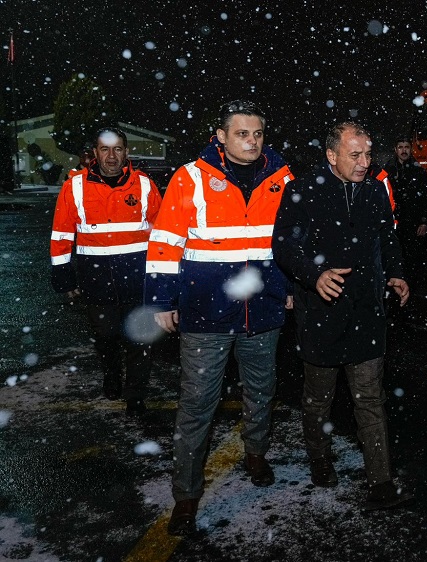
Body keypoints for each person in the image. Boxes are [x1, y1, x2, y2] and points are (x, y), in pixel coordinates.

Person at [144, 100, 295, 536]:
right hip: (205, 314)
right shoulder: (190, 177)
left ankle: (256, 454)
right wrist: (160, 301)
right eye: (242, 134)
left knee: (262, 391)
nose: (251, 142)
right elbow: (165, 243)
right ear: (221, 136)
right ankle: (186, 497)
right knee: (196, 407)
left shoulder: (281, 177)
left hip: (263, 309)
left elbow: (291, 239)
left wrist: (289, 290)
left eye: (258, 134)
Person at [272, 122, 414, 511]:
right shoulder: (302, 190)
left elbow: (387, 237)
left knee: (370, 398)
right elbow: (282, 245)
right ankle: (320, 460)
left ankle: (381, 481)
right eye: (355, 155)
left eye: (368, 154)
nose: (365, 163)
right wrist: (314, 275)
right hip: (322, 313)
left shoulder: (373, 190)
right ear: (331, 155)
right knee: (319, 399)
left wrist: (397, 273)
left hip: (367, 312)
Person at [50, 127, 162, 415]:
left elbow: (163, 234)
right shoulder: (74, 187)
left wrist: (164, 275)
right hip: (96, 279)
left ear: (126, 152)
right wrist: (64, 277)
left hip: (138, 279)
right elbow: (62, 234)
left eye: (117, 149)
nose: (111, 156)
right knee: (107, 336)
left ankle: (136, 395)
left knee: (140, 339)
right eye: (104, 149)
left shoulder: (145, 186)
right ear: (95, 153)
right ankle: (112, 371)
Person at [384, 137, 427, 285]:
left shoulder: (419, 171)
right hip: (396, 223)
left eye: (407, 147)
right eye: (401, 147)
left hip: (414, 223)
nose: (404, 150)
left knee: (418, 262)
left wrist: (425, 222)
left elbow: (425, 199)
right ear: (395, 149)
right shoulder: (388, 170)